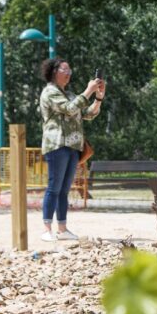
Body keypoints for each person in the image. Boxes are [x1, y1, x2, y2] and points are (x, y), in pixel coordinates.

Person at [38, 58, 104, 242]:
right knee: (54, 187)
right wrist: (89, 90)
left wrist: (98, 97)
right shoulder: (49, 92)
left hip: (73, 146)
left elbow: (87, 114)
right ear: (54, 71)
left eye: (69, 70)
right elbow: (69, 109)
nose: (68, 73)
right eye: (64, 69)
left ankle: (62, 228)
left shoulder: (71, 94)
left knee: (64, 189)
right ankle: (46, 229)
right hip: (56, 145)